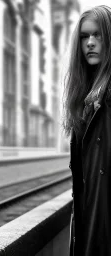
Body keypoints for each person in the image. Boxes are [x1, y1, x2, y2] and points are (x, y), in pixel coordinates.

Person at [62, 5, 111, 256]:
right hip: (89, 223)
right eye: (84, 37)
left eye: (98, 35)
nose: (90, 43)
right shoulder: (86, 99)